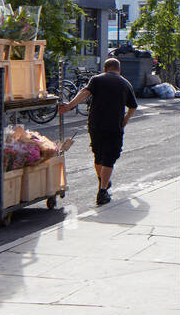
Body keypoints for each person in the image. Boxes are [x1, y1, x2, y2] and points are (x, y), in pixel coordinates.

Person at [59, 56, 137, 206]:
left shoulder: (96, 79)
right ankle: (102, 191)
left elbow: (84, 93)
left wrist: (69, 106)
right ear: (119, 70)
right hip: (114, 125)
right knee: (109, 157)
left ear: (105, 69)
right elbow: (133, 106)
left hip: (95, 123)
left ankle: (103, 182)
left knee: (98, 154)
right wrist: (125, 120)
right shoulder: (125, 83)